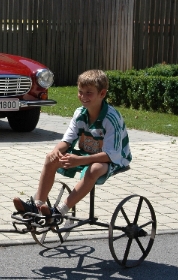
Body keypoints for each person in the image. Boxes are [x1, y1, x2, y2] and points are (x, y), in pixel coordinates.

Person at [13, 69, 131, 220]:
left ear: (102, 94)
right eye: (80, 92)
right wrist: (56, 151)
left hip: (115, 159)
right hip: (87, 154)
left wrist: (79, 160)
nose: (83, 96)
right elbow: (67, 141)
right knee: (50, 157)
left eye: (89, 93)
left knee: (95, 168)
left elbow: (111, 155)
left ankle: (59, 211)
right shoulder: (80, 113)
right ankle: (37, 206)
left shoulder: (111, 119)